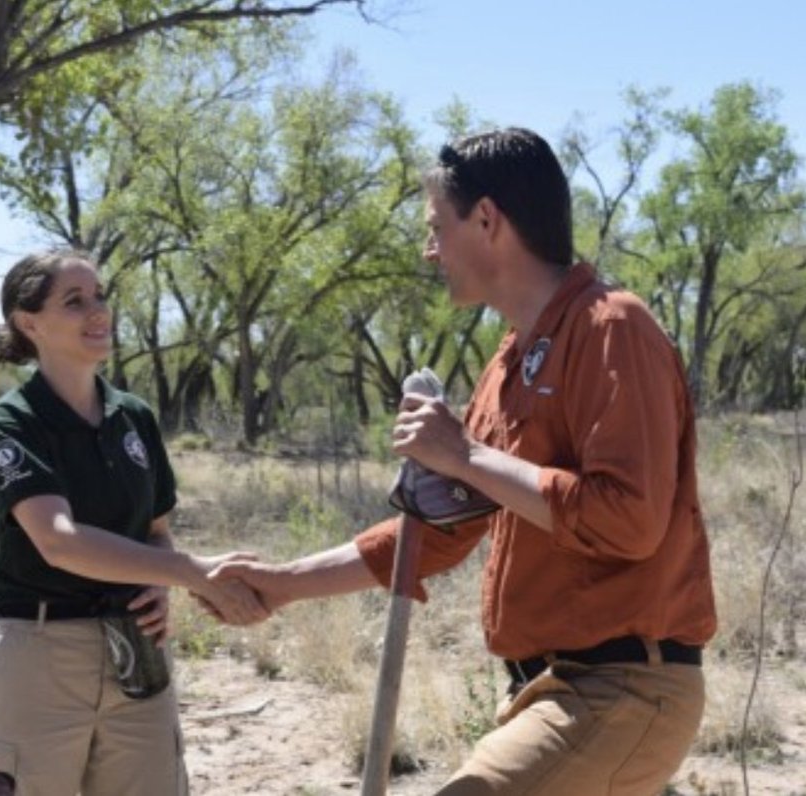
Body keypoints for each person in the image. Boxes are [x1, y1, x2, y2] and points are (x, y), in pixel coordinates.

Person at [211, 128, 718, 795]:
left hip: (622, 689)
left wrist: (465, 453)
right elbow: (440, 530)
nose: (429, 251)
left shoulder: (610, 327)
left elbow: (630, 519)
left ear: (487, 219)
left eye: (435, 227)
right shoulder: (508, 363)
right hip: (547, 693)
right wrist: (282, 582)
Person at [0, 248, 268, 795]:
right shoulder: (11, 424)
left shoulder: (134, 416)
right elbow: (58, 542)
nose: (98, 311)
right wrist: (191, 572)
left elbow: (156, 527)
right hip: (38, 657)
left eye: (100, 296)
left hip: (136, 650)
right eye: (75, 301)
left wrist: (159, 578)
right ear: (28, 322)